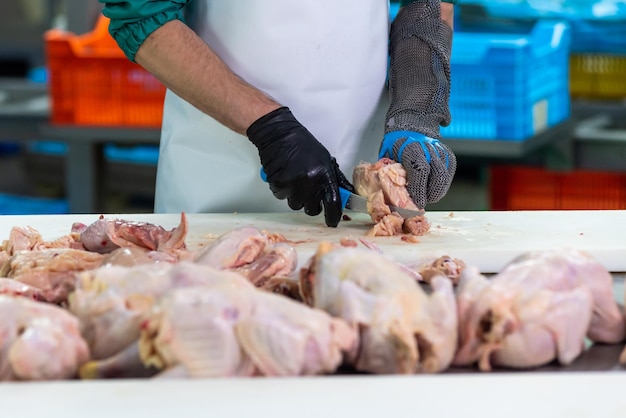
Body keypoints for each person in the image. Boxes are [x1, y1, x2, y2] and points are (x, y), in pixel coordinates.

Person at [99, 0, 457, 227]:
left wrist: (416, 112)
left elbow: (428, 6)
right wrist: (268, 126)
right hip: (217, 185)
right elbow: (142, 16)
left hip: (358, 187)